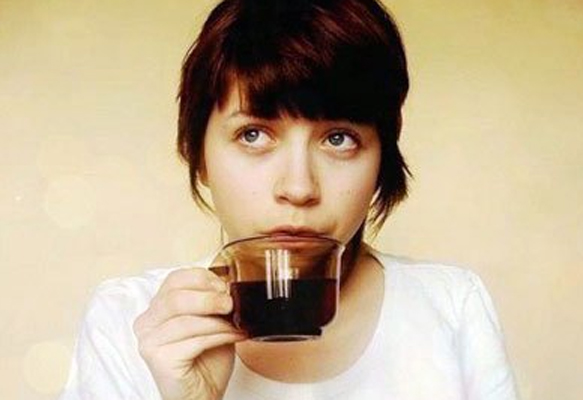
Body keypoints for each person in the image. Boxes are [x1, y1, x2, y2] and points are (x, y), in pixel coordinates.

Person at [59, 0, 519, 399]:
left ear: (383, 156)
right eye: (253, 134)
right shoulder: (129, 320)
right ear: (198, 154)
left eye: (339, 139)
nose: (298, 188)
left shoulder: (450, 306)